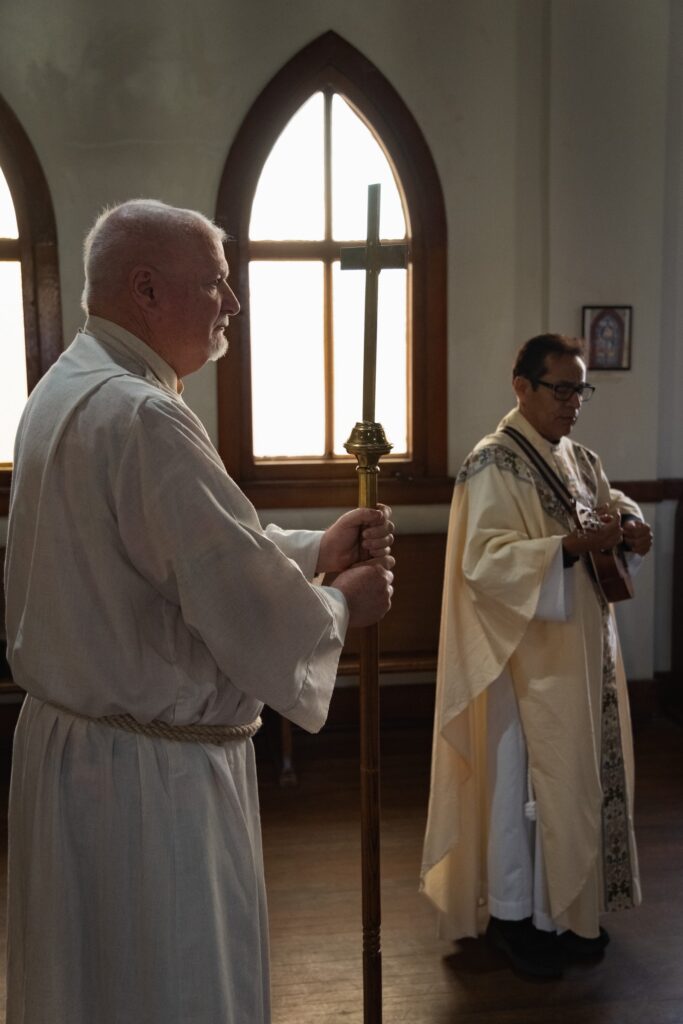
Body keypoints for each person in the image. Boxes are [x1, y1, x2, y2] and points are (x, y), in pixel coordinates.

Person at [3, 199, 395, 1023]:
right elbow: (238, 607)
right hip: (148, 784)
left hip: (77, 753)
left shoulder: (69, 386)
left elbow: (179, 558)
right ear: (146, 289)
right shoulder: (144, 413)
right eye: (216, 283)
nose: (233, 304)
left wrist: (311, 551)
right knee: (169, 979)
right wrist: (339, 604)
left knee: (92, 980)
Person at [420, 333, 653, 979]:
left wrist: (630, 525)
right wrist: (567, 550)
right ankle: (517, 915)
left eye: (581, 388)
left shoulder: (576, 456)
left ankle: (569, 914)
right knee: (520, 794)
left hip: (581, 654)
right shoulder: (494, 463)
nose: (574, 402)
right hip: (521, 659)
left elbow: (608, 503)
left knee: (577, 786)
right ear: (520, 387)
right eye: (561, 388)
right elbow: (483, 561)